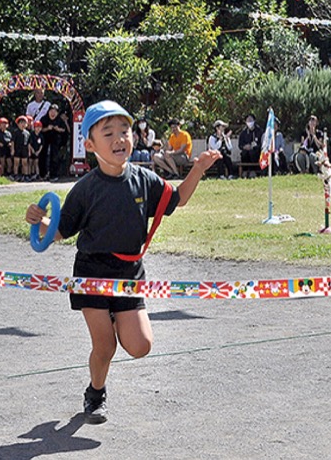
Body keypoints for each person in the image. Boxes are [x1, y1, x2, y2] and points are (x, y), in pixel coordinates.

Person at [23, 101, 219, 424]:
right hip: (92, 275)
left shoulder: (145, 179)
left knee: (141, 346)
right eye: (108, 132)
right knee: (105, 346)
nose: (119, 139)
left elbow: (177, 200)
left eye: (125, 131)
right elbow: (58, 232)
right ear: (89, 145)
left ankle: (118, 319)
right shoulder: (85, 190)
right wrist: (38, 221)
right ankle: (95, 393)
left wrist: (197, 169)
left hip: (128, 276)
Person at [39, 107, 69, 179]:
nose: (53, 113)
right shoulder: (44, 119)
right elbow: (39, 130)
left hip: (56, 141)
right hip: (45, 140)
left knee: (54, 157)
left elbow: (64, 130)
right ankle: (43, 174)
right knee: (43, 156)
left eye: (55, 112)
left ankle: (54, 174)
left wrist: (58, 129)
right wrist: (47, 128)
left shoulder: (59, 120)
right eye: (51, 111)